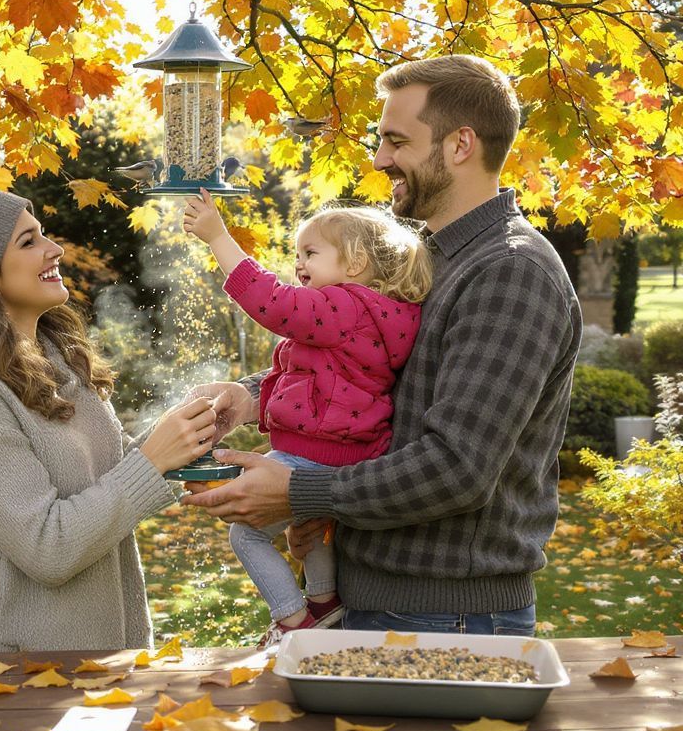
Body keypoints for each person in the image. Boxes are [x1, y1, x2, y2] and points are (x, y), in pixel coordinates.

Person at [186, 55, 583, 637]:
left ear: (460, 145)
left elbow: (457, 468)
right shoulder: (425, 259)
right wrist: (254, 397)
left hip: (448, 614)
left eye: (397, 142)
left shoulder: (510, 272)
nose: (379, 160)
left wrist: (297, 490)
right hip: (376, 595)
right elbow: (365, 366)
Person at [0, 190, 217, 652]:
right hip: (14, 676)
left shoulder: (52, 355)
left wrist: (194, 433)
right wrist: (152, 461)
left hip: (101, 660)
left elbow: (108, 475)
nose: (55, 249)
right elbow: (47, 547)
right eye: (28, 242)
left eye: (42, 234)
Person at [182, 192, 431, 644]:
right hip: (345, 454)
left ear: (355, 263)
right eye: (297, 254)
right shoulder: (374, 316)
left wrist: (219, 238)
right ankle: (323, 602)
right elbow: (309, 377)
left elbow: (274, 304)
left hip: (314, 458)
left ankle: (293, 621)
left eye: (311, 253)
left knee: (247, 536)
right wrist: (247, 399)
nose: (298, 264)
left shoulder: (343, 305)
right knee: (311, 532)